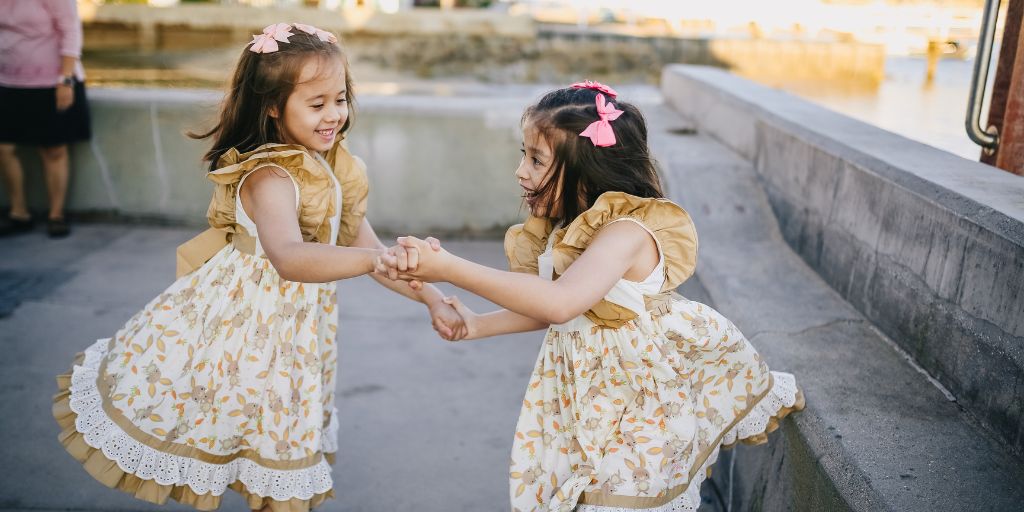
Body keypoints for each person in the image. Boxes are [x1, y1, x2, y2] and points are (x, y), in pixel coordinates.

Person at [52, 23, 464, 512]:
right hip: (245, 336)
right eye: (317, 104)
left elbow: (366, 247)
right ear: (271, 104)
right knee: (262, 451)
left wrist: (432, 298)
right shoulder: (270, 175)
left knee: (272, 447)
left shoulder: (328, 164)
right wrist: (376, 258)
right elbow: (289, 256)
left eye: (340, 98)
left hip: (292, 338)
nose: (334, 115)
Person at [380, 82, 804, 511]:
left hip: (640, 406)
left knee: (619, 499)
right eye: (522, 154)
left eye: (536, 159)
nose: (520, 171)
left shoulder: (626, 233)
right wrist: (477, 323)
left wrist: (449, 268)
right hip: (588, 408)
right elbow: (558, 308)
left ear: (588, 170)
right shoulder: (568, 229)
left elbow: (561, 301)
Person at [0, 0, 91, 238]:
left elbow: (71, 30)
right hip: (8, 82)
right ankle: (18, 212)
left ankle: (56, 214)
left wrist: (66, 79)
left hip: (53, 83)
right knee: (4, 148)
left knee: (53, 150)